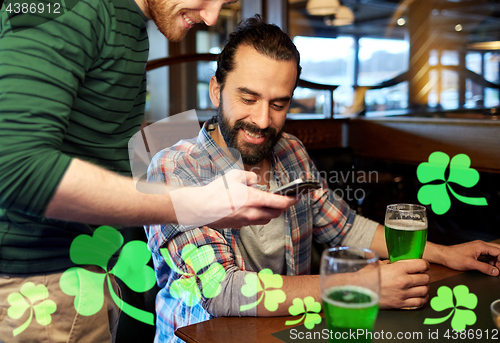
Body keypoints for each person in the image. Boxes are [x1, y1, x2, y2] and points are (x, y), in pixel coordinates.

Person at [145, 16, 500, 342]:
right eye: (248, 98)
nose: (263, 120)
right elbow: (221, 290)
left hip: (284, 330)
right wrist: (363, 286)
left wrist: (445, 253)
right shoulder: (174, 168)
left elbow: (344, 227)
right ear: (216, 91)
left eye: (279, 104)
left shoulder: (290, 151)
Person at [0, 1, 298, 342]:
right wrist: (194, 205)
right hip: (37, 285)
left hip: (89, 272)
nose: (212, 17)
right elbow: (16, 168)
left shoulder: (128, 25)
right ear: (217, 90)